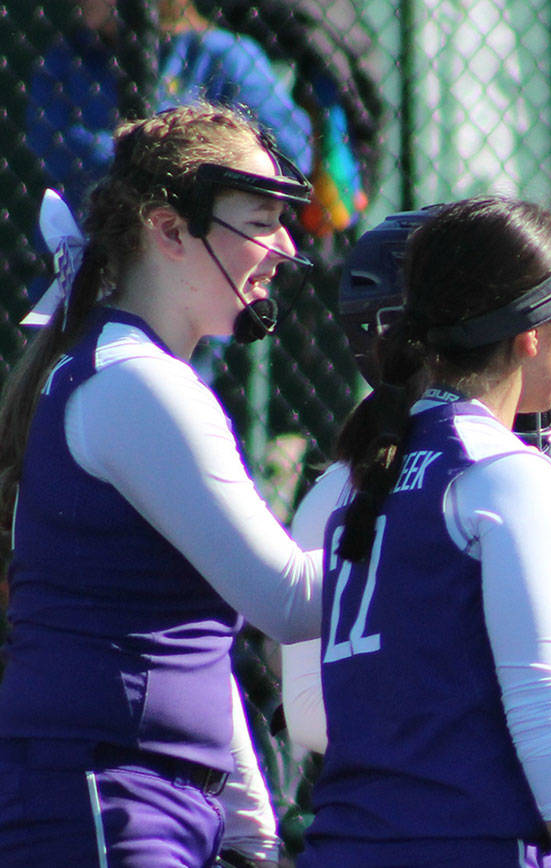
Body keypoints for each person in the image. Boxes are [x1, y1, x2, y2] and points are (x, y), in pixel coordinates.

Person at [290, 197, 551, 867]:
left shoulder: (367, 470)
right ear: (530, 337)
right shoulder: (509, 475)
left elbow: (486, 688)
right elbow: (546, 711)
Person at [0, 102, 322, 866]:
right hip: (107, 797)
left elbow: (194, 638)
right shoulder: (137, 383)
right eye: (261, 217)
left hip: (145, 798)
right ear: (169, 230)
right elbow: (289, 600)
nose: (283, 246)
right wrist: (437, 531)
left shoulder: (129, 369)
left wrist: (248, 826)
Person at [26, 0, 313, 214]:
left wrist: (186, 165)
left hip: (202, 245)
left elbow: (293, 151)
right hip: (93, 243)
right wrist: (162, 158)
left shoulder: (222, 54)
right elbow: (52, 146)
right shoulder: (66, 58)